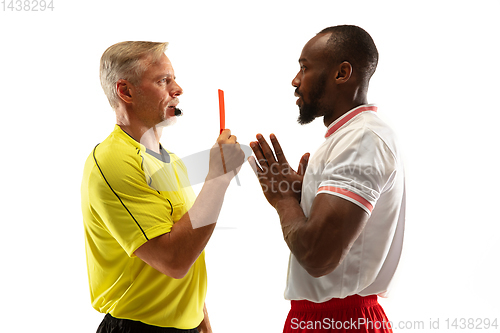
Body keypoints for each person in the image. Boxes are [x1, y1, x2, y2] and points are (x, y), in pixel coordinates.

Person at [249, 25, 405, 332]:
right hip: (323, 319)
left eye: (304, 68)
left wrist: (283, 202)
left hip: (339, 322)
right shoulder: (351, 136)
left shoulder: (362, 139)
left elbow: (318, 256)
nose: (296, 81)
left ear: (342, 73)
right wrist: (302, 198)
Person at [81, 41, 245, 333]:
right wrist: (218, 178)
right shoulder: (112, 161)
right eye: (163, 80)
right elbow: (174, 261)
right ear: (125, 91)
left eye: (174, 78)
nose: (178, 89)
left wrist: (203, 325)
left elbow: (189, 251)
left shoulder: (171, 162)